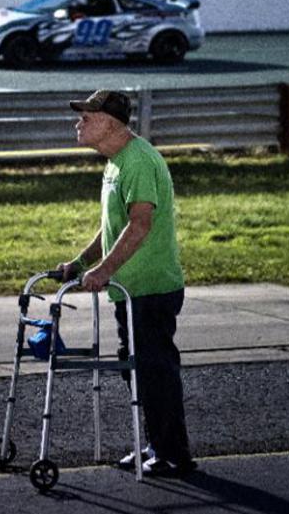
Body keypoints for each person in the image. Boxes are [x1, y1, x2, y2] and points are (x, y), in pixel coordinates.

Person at [59, 90, 196, 478]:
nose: (78, 123)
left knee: (155, 371)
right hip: (130, 289)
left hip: (152, 288)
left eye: (86, 117)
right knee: (135, 370)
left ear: (110, 123)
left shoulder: (137, 160)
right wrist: (81, 263)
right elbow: (112, 226)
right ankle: (156, 445)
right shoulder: (117, 162)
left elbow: (140, 225)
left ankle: (173, 453)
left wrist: (102, 271)